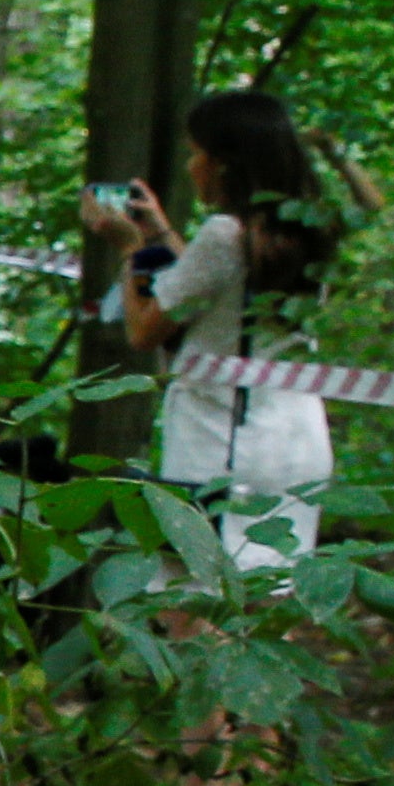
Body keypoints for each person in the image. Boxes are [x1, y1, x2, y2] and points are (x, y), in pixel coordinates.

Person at [111, 85, 345, 568]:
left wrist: (130, 249)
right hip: (294, 441)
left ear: (222, 163)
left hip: (218, 443)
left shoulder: (224, 233)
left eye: (195, 153)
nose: (190, 166)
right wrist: (159, 232)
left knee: (190, 602)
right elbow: (213, 289)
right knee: (267, 601)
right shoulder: (308, 228)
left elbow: (145, 330)